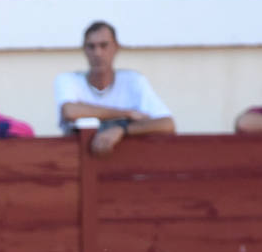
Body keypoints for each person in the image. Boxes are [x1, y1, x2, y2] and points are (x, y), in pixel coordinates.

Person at [54, 20, 174, 155]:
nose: (98, 53)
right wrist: (127, 114)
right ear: (84, 50)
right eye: (91, 46)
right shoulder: (69, 80)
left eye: (103, 45)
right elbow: (70, 111)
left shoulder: (133, 81)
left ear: (116, 47)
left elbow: (167, 124)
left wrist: (122, 129)